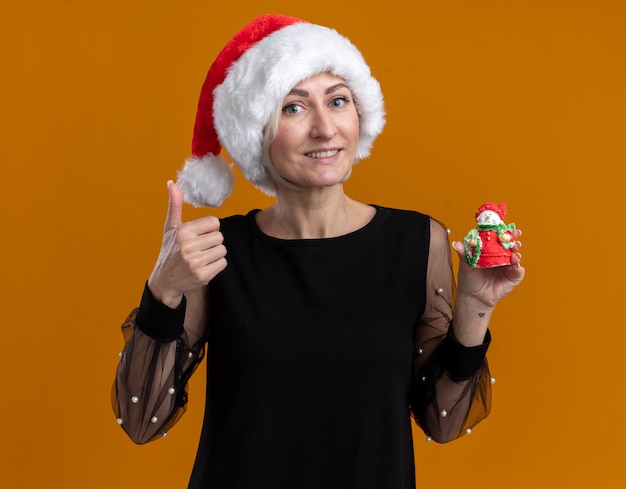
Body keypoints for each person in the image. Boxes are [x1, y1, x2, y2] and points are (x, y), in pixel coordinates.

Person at [112, 13, 525, 489]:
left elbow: (443, 421)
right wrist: (162, 292)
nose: (325, 129)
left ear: (359, 114)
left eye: (337, 100)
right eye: (293, 107)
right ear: (257, 133)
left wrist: (474, 308)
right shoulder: (216, 253)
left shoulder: (418, 241)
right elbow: (141, 422)